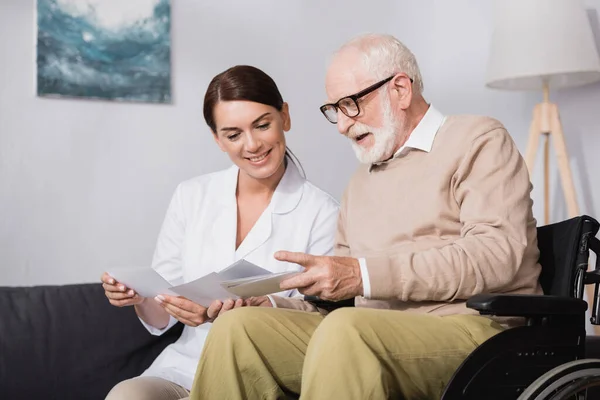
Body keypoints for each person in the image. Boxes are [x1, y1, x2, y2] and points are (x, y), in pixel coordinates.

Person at [189, 34, 543, 400]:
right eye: (334, 110)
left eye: (349, 105)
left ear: (401, 90)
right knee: (240, 328)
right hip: (368, 330)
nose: (342, 125)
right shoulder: (359, 183)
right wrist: (274, 303)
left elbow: (496, 255)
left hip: (475, 334)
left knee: (348, 330)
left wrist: (363, 275)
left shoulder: (477, 140)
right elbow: (336, 304)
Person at [100, 65, 339, 400]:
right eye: (233, 134)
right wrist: (139, 296)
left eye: (262, 125)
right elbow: (162, 313)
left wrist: (255, 307)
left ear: (285, 117)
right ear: (217, 139)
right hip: (185, 367)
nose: (252, 144)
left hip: (259, 371)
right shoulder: (191, 196)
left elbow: (318, 321)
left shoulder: (323, 212)